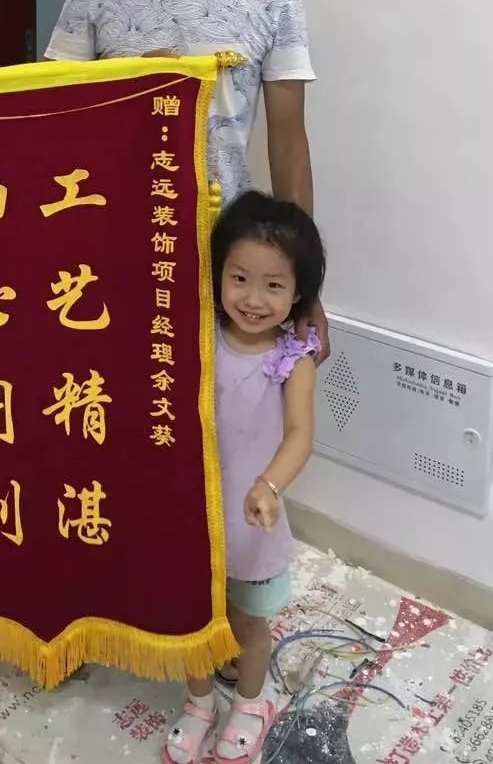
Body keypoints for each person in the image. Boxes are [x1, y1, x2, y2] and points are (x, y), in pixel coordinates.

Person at [44, 0, 328, 360]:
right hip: (109, 238)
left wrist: (304, 282)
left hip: (229, 257)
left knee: (217, 399)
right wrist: (125, 87)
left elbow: (288, 141)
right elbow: (50, 121)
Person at [163, 190, 324, 764]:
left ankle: (251, 704)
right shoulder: (195, 337)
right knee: (192, 617)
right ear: (217, 275)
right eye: (239, 279)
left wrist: (269, 485)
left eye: (273, 285)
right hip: (192, 517)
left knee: (251, 623)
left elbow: (300, 435)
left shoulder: (293, 359)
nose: (253, 299)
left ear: (298, 292)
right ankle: (199, 702)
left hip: (254, 521)